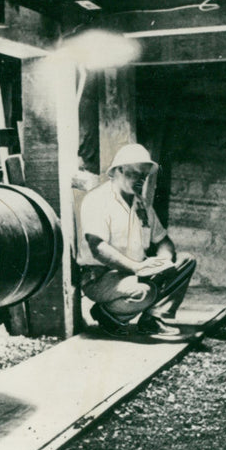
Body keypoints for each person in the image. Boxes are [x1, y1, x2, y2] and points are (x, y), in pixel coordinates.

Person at [78, 143, 197, 338]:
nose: (141, 180)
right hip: (101, 276)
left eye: (144, 176)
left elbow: (164, 241)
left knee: (186, 261)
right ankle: (108, 315)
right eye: (135, 174)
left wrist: (163, 260)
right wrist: (136, 268)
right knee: (144, 292)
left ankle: (153, 319)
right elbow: (98, 248)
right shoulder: (98, 200)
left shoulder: (141, 204)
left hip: (136, 271)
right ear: (118, 170)